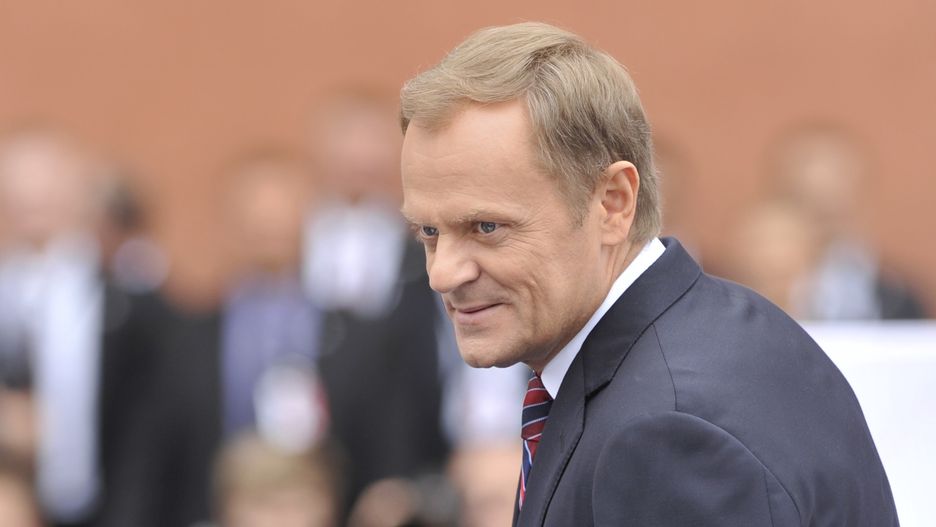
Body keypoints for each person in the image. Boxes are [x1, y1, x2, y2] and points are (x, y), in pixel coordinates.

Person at [399, 22, 898, 526]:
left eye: (487, 227)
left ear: (613, 203)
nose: (443, 274)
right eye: (429, 231)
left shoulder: (666, 435)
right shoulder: (724, 333)